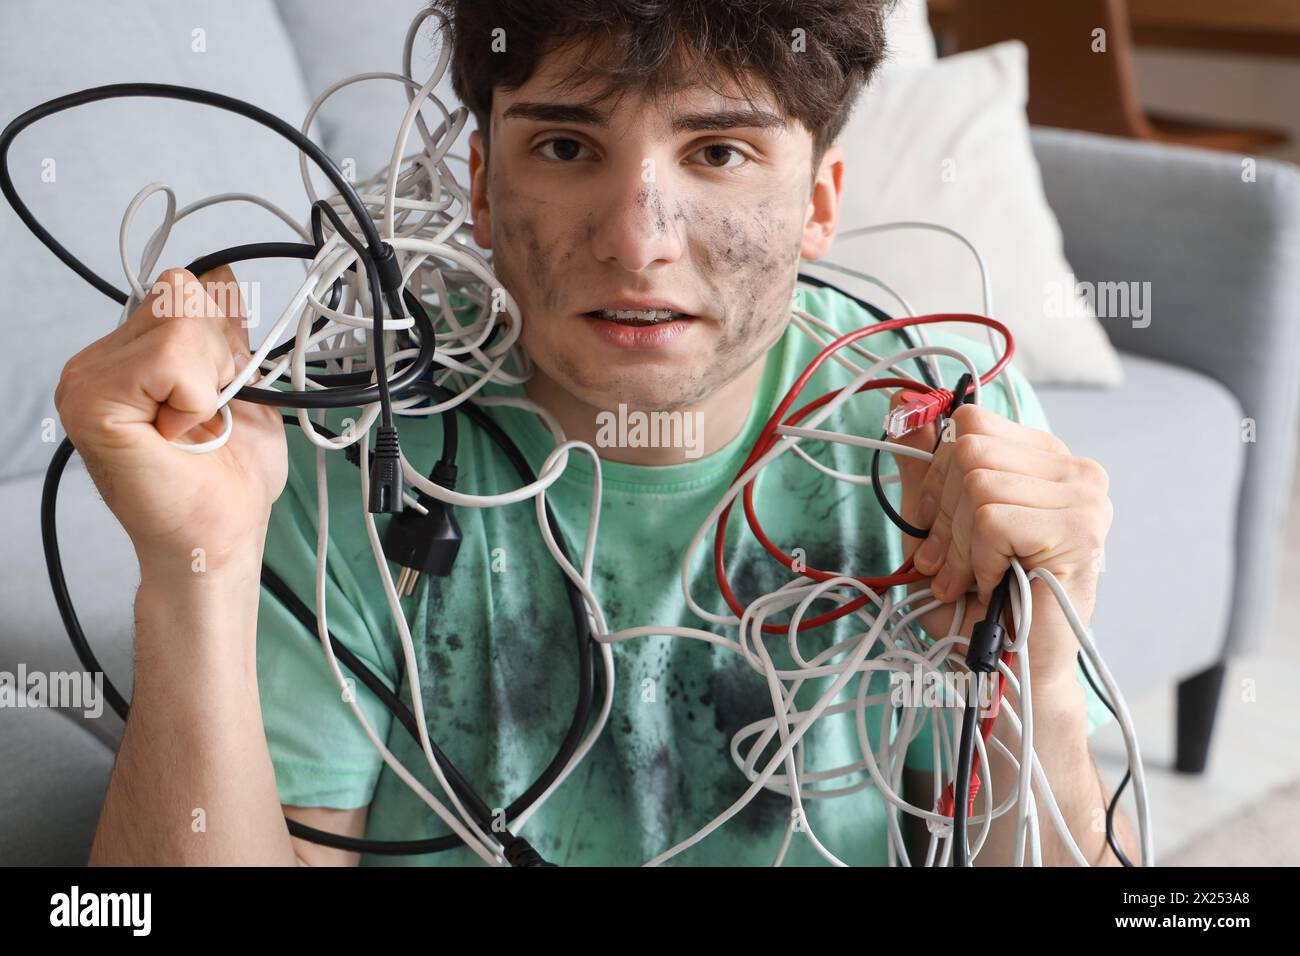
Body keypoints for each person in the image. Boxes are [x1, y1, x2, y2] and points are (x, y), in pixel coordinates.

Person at [58, 0, 1139, 866]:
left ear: (819, 201)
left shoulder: (934, 428)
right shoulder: (348, 444)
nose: (638, 242)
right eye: (568, 145)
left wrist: (1034, 674)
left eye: (718, 152)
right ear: (481, 188)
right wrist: (192, 567)